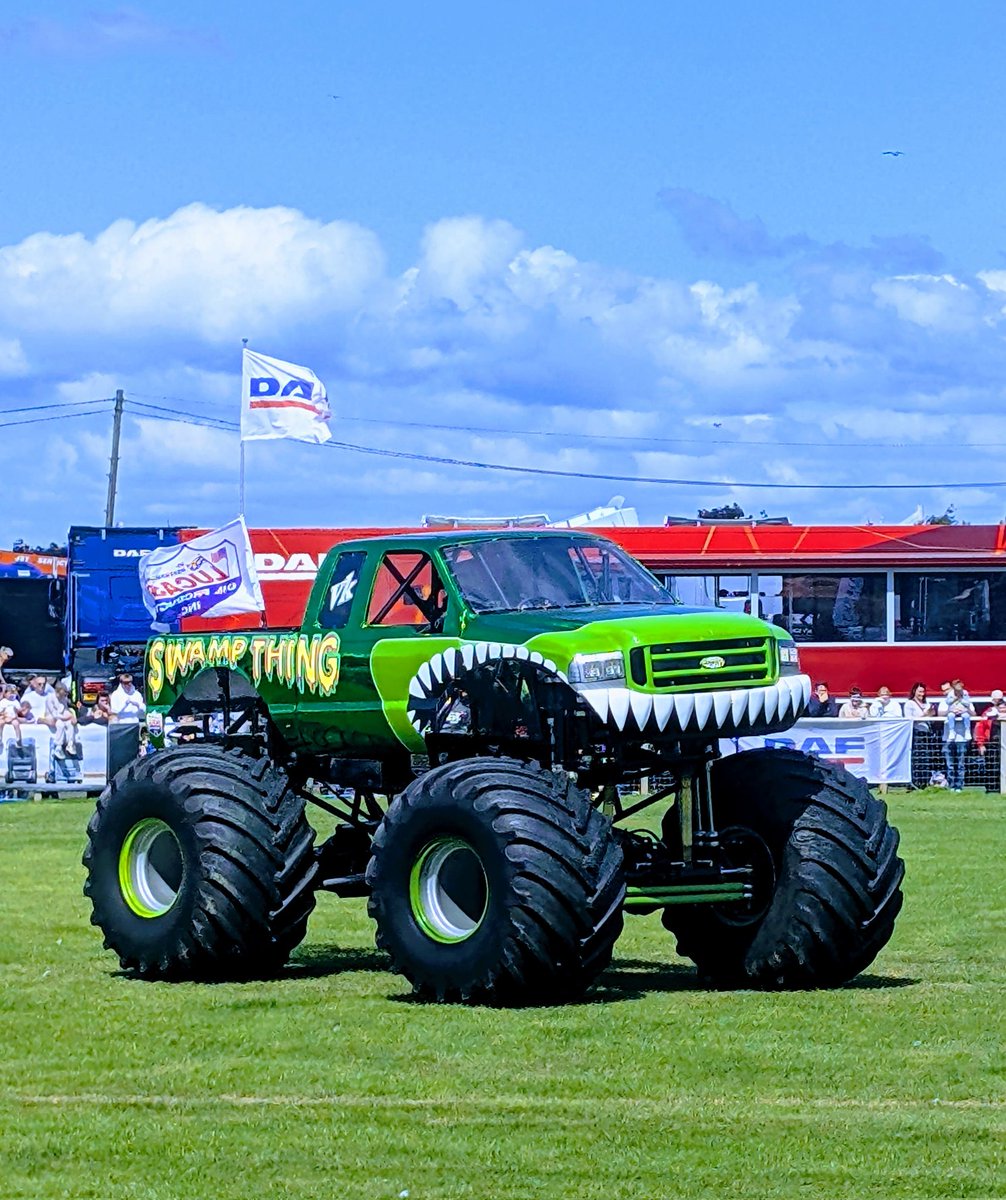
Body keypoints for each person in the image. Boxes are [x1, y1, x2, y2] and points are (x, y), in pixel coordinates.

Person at [939, 684, 975, 793]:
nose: (945, 692)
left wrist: (965, 711)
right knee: (949, 764)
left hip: (962, 737)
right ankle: (951, 785)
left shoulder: (966, 699)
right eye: (943, 691)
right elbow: (940, 714)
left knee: (960, 764)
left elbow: (973, 713)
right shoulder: (944, 702)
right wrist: (950, 711)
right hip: (948, 738)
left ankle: (959, 786)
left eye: (947, 689)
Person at [44, 682, 80, 758]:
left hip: (62, 716)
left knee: (70, 724)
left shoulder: (64, 698)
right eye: (64, 692)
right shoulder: (50, 698)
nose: (65, 694)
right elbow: (54, 714)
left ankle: (70, 744)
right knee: (60, 724)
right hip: (51, 717)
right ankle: (58, 747)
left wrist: (71, 716)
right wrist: (66, 717)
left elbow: (65, 710)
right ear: (58, 691)